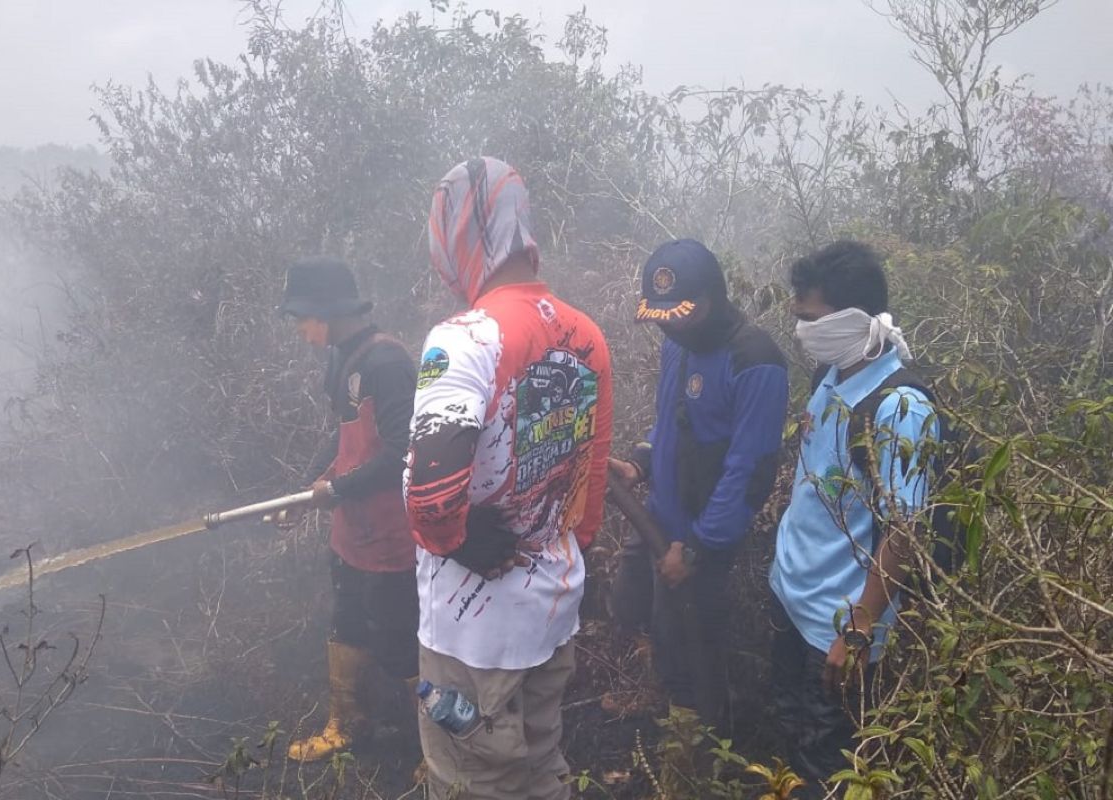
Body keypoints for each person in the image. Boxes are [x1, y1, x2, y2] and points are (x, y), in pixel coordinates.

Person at [404, 156, 613, 800]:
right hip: (551, 612)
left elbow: (433, 499)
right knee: (540, 763)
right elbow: (589, 500)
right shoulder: (586, 333)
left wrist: (456, 540)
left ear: (458, 232)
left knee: (472, 781)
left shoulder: (465, 337)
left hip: (475, 637)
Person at [770, 240, 939, 788]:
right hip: (794, 603)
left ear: (854, 318)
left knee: (827, 770)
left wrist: (860, 627)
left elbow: (904, 531)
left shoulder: (899, 407)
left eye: (812, 319)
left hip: (837, 630)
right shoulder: (835, 374)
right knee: (789, 752)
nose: (803, 331)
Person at [605, 239, 788, 729]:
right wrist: (640, 463)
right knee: (630, 607)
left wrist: (696, 548)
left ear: (712, 298)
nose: (669, 323)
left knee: (689, 651)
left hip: (697, 539)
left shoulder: (754, 359)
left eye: (680, 313)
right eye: (661, 314)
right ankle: (655, 689)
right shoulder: (677, 344)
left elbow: (750, 471)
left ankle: (690, 752)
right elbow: (672, 423)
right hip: (656, 519)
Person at [277, 258, 420, 762]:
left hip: (390, 536)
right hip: (350, 532)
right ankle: (346, 724)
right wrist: (306, 489)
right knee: (348, 624)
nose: (300, 329)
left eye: (302, 318)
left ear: (328, 311)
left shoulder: (388, 364)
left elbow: (403, 451)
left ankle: (435, 750)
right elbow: (341, 436)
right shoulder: (341, 358)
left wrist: (336, 489)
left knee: (400, 640)